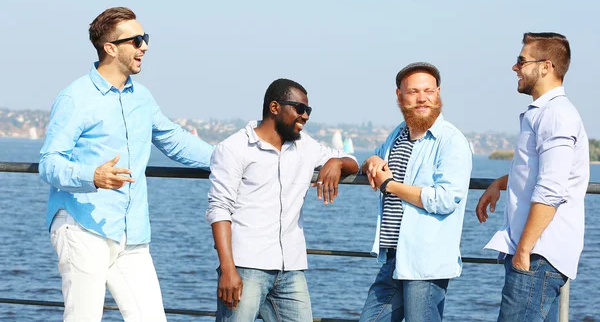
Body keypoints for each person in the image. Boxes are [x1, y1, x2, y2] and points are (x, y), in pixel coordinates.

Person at [39, 7, 214, 322]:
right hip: (81, 227)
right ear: (110, 48)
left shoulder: (142, 98)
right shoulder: (75, 98)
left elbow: (176, 141)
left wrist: (235, 161)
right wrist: (92, 176)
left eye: (144, 38)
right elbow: (49, 164)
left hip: (131, 234)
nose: (144, 46)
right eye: (135, 40)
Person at [205, 78, 359, 321]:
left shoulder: (305, 146)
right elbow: (219, 209)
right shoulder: (233, 148)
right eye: (299, 109)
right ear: (274, 107)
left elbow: (353, 161)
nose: (306, 116)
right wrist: (227, 270)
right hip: (246, 267)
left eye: (308, 110)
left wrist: (336, 162)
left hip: (291, 270)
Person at [476, 33, 589, 322]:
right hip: (538, 254)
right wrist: (499, 183)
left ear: (546, 66)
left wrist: (524, 251)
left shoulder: (556, 115)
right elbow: (540, 171)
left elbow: (551, 188)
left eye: (521, 61)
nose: (516, 68)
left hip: (537, 255)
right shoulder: (546, 113)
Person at [359, 62, 472, 322]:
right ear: (399, 96)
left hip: (425, 263)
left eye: (429, 91)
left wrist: (390, 185)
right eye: (413, 92)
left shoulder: (451, 140)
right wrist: (371, 162)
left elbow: (445, 199)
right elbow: (375, 160)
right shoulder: (398, 135)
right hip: (394, 257)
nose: (422, 98)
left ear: (438, 93)